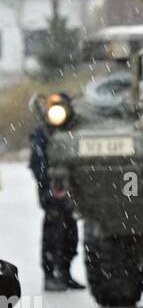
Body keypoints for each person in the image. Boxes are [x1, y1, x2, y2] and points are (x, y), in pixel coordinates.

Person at [28, 123, 82, 292]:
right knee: (54, 232)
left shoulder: (73, 127)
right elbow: (37, 162)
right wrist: (48, 183)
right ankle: (50, 275)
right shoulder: (44, 131)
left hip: (70, 191)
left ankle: (65, 272)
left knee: (70, 232)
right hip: (52, 191)